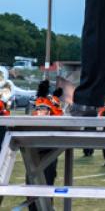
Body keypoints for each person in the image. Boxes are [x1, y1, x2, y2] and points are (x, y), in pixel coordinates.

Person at [28, 81, 63, 211]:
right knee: (31, 183)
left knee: (48, 182)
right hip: (34, 153)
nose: (40, 111)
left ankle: (48, 207)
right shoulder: (32, 119)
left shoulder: (54, 117)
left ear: (49, 111)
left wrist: (53, 103)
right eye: (38, 109)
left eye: (43, 109)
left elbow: (59, 115)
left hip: (49, 153)